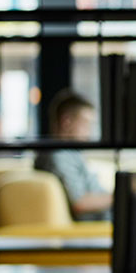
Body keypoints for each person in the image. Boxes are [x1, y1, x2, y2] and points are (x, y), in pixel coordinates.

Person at [34, 89, 112, 221]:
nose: (89, 131)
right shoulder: (59, 155)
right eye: (86, 123)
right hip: (97, 227)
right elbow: (79, 203)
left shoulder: (70, 153)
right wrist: (121, 196)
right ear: (67, 122)